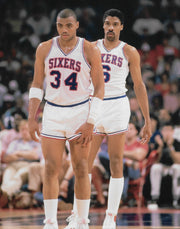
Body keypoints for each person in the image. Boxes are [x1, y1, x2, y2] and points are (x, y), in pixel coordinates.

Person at [67, 9, 151, 229]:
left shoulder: (130, 51)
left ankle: (110, 217)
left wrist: (147, 120)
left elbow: (139, 86)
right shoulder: (91, 47)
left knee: (116, 162)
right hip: (94, 104)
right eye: (107, 24)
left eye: (115, 24)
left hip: (117, 106)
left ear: (121, 26)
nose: (111, 27)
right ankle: (78, 216)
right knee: (83, 163)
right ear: (103, 26)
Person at [28, 8, 104, 229]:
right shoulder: (44, 48)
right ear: (56, 26)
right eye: (60, 25)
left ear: (77, 25)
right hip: (52, 111)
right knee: (50, 168)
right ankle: (50, 221)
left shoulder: (89, 49)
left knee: (81, 167)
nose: (64, 29)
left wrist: (91, 121)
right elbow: (36, 84)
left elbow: (99, 88)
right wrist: (32, 117)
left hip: (79, 112)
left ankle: (82, 220)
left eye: (69, 25)